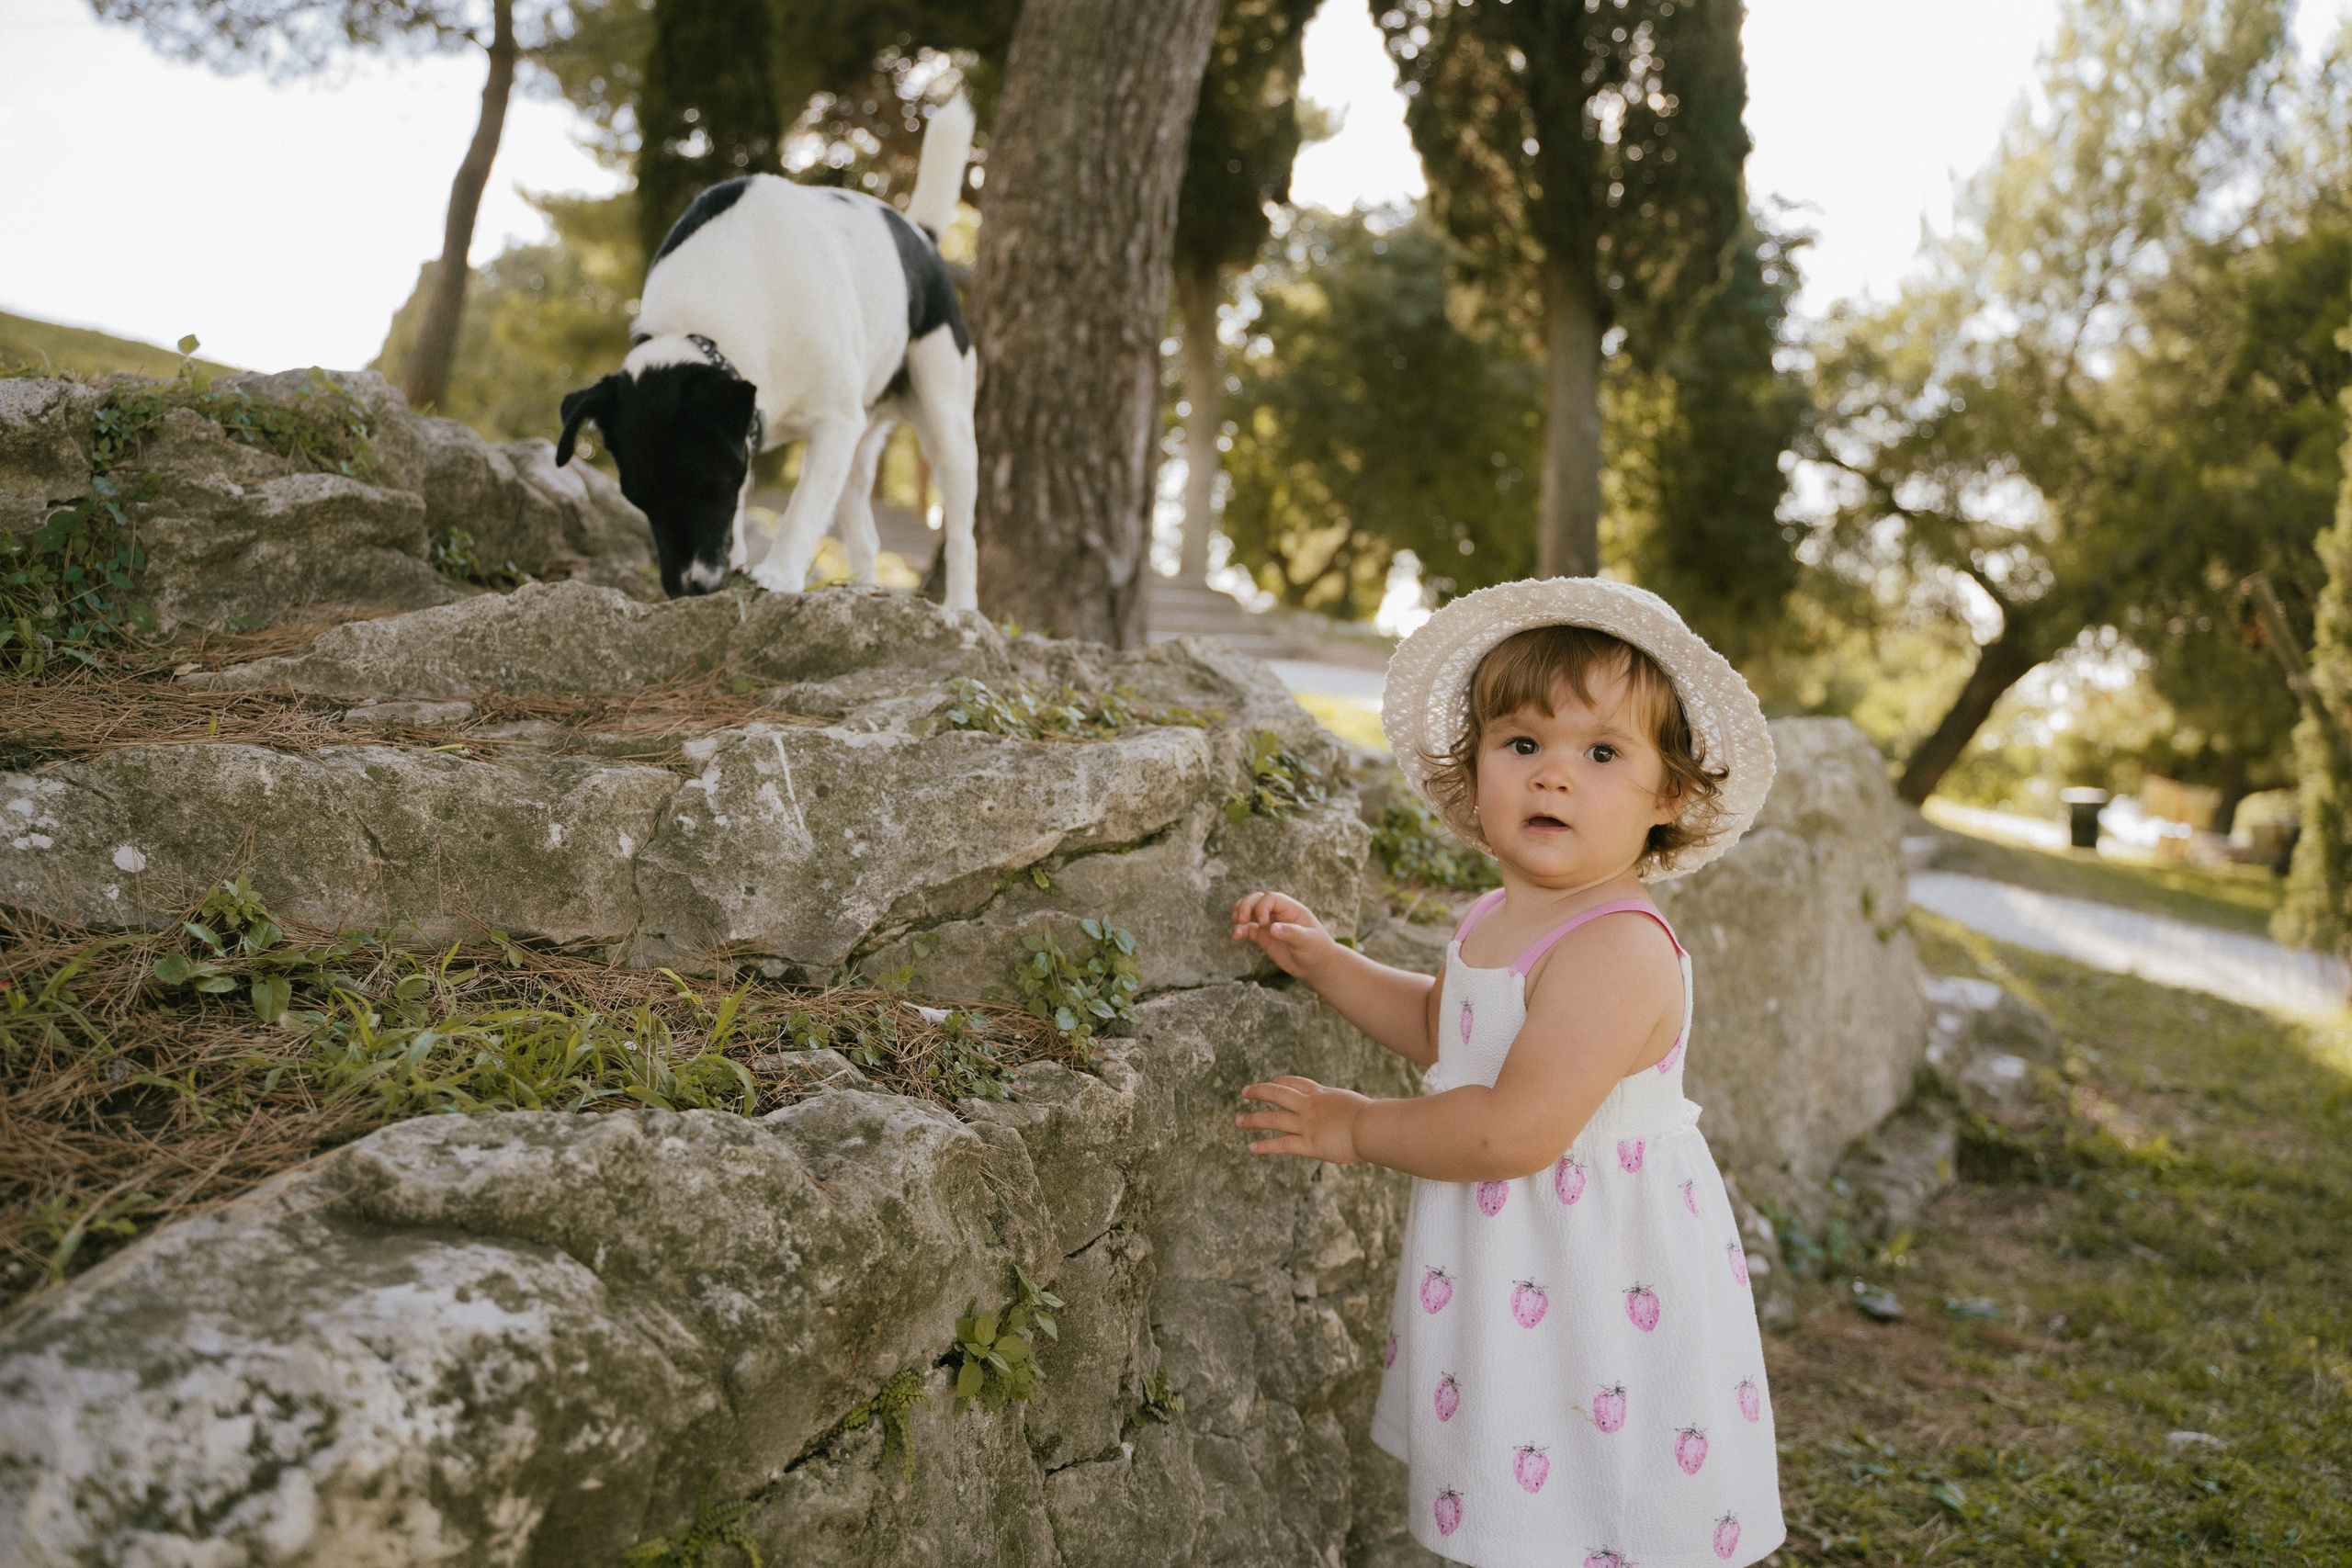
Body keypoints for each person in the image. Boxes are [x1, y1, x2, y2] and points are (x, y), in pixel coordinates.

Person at [1228, 578, 1784, 1567]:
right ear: (1473, 767)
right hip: (1518, 1251)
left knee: (1598, 1488)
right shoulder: (1498, 916)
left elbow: (1510, 1131)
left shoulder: (1617, 948)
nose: (1551, 777)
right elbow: (1450, 1030)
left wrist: (1356, 1127)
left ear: (1669, 796)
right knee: (1525, 1476)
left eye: (1601, 753)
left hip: (1595, 1272)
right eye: (1521, 744)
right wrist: (1326, 961)